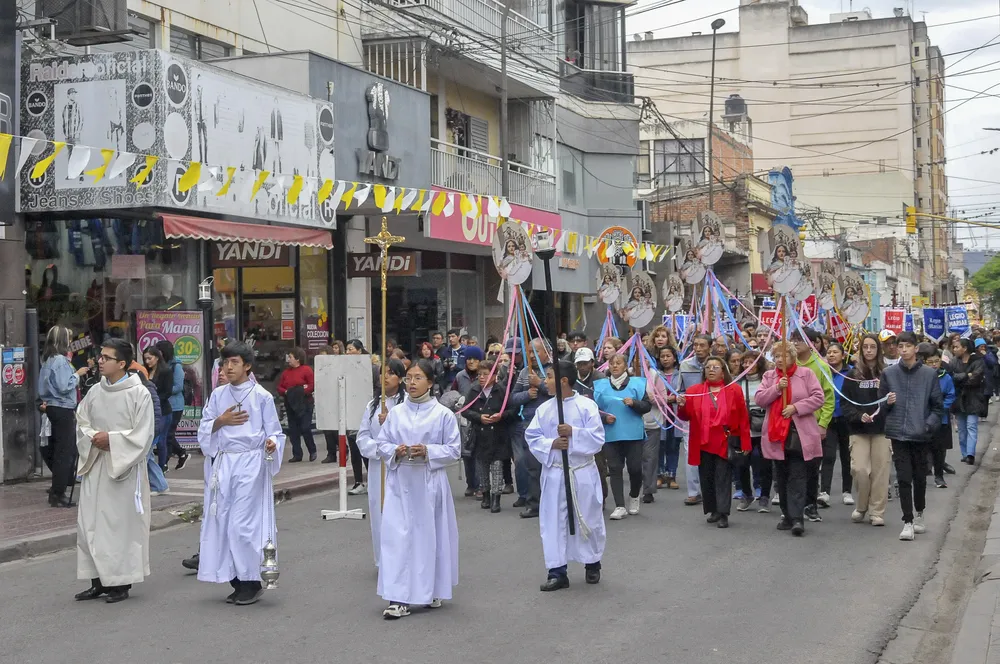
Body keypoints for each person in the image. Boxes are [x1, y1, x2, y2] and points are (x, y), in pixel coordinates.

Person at [197, 342, 284, 605]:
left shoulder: (261, 397)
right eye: (225, 363)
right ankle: (235, 579)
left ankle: (251, 580)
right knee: (222, 520)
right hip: (224, 464)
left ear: (247, 365)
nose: (228, 367)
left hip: (250, 463)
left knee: (242, 523)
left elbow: (275, 432)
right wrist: (220, 422)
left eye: (234, 362)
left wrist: (271, 444)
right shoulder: (217, 395)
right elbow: (205, 427)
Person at [374, 359, 461, 619]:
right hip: (400, 482)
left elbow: (454, 450)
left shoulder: (443, 415)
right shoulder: (396, 413)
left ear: (431, 383)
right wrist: (394, 451)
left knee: (427, 539)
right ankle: (398, 597)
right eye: (409, 377)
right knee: (397, 539)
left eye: (418, 378)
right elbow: (382, 443)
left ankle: (430, 588)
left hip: (428, 482)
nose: (411, 383)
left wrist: (429, 451)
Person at [74, 338, 155, 604]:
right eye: (100, 356)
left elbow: (143, 434)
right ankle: (97, 580)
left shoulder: (138, 393)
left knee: (119, 527)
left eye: (106, 358)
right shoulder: (95, 391)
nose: (100, 361)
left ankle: (120, 583)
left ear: (122, 363)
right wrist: (93, 438)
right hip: (96, 464)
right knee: (91, 525)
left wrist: (113, 440)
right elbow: (81, 421)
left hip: (123, 469)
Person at [526, 360, 606, 591]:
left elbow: (598, 439)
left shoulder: (586, 406)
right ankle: (557, 570)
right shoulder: (545, 409)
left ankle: (592, 563)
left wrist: (574, 433)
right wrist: (552, 443)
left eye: (549, 377)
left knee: (588, 517)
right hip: (556, 473)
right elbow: (532, 437)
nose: (544, 382)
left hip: (581, 472)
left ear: (563, 381)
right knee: (553, 521)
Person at [755, 342, 825, 536]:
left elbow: (819, 397)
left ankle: (797, 518)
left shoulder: (806, 374)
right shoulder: (769, 377)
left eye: (783, 356)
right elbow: (760, 399)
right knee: (782, 475)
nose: (779, 360)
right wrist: (777, 388)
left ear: (793, 357)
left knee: (798, 475)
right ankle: (787, 515)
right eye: (776, 356)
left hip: (798, 433)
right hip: (777, 434)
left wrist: (797, 407)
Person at [880, 331, 943, 541]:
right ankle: (907, 520)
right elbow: (880, 405)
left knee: (919, 477)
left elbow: (937, 407)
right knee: (903, 477)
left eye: (908, 346)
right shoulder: (889, 374)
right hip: (898, 434)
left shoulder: (929, 374)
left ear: (916, 348)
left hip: (921, 434)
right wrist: (886, 403)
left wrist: (928, 426)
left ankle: (919, 513)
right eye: (901, 346)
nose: (904, 350)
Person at [677, 356, 751, 529]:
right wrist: (681, 405)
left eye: (715, 367)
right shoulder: (695, 390)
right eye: (708, 367)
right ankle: (713, 510)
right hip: (703, 442)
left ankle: (724, 513)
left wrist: (745, 442)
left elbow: (743, 418)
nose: (711, 370)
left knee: (723, 478)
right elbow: (685, 416)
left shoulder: (734, 390)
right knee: (707, 477)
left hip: (725, 441)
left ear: (723, 371)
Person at [355, 359, 407, 567]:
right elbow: (362, 436)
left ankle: (404, 557)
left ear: (401, 378)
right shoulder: (373, 405)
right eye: (381, 373)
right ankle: (384, 560)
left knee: (401, 513)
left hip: (403, 465)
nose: (384, 377)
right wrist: (379, 449)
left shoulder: (407, 405)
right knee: (379, 512)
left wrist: (391, 424)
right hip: (379, 466)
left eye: (390, 373)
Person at [841, 333, 891, 526]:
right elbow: (845, 404)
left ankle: (876, 511)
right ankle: (862, 505)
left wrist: (886, 394)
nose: (869, 351)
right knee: (860, 469)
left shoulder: (887, 373)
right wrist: (857, 415)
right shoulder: (852, 375)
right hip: (858, 429)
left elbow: (893, 400)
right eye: (865, 347)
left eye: (873, 347)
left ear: (878, 350)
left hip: (882, 429)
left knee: (880, 472)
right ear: (860, 350)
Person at [38, 325, 91, 507]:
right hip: (62, 407)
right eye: (68, 338)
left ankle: (57, 491)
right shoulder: (60, 361)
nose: (71, 341)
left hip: (54, 407)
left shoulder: (48, 359)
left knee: (62, 449)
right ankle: (58, 493)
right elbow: (63, 386)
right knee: (65, 451)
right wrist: (77, 375)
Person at [594, 354, 651, 520]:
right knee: (614, 469)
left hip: (633, 434)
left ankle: (634, 496)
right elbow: (594, 409)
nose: (615, 366)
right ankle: (619, 505)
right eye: (611, 363)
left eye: (618, 363)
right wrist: (605, 418)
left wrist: (634, 403)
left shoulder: (637, 384)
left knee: (634, 468)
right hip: (611, 434)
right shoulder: (601, 386)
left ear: (625, 366)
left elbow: (647, 406)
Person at [790, 328, 835, 524]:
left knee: (811, 467)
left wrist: (823, 424)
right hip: (790, 425)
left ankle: (811, 505)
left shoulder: (820, 366)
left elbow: (829, 398)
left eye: (800, 339)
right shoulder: (787, 365)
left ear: (812, 343)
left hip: (812, 426)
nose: (796, 343)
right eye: (793, 339)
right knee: (792, 467)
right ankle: (792, 506)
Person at [461, 360, 515, 513]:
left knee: (497, 468)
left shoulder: (502, 391)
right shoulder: (473, 391)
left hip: (498, 436)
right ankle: (485, 495)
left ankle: (496, 498)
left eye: (486, 374)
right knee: (482, 468)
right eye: (479, 374)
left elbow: (513, 411)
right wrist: (479, 417)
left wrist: (501, 416)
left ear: (494, 375)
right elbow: (465, 410)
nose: (482, 377)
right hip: (480, 435)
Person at [510, 338, 552, 518]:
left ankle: (555, 502)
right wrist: (527, 394)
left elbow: (559, 393)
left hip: (551, 423)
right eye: (529, 352)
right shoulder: (525, 372)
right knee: (532, 466)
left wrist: (540, 384)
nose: (532, 356)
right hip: (529, 422)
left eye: (536, 352)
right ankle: (533, 504)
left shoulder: (553, 370)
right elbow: (513, 397)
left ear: (546, 352)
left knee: (552, 465)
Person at [679, 334, 713, 506]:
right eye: (695, 345)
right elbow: (680, 390)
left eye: (702, 345)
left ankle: (712, 488)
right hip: (692, 415)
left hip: (714, 415)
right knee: (690, 452)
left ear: (710, 347)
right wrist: (681, 399)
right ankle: (694, 492)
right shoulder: (685, 365)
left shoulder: (716, 365)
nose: (698, 348)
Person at [820, 342, 854, 507]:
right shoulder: (823, 371)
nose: (831, 355)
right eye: (829, 352)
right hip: (828, 418)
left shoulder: (851, 372)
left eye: (835, 352)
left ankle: (847, 491)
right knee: (828, 456)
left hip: (847, 419)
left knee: (847, 457)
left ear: (843, 355)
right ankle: (824, 491)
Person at [574, 347, 610, 501]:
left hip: (595, 424)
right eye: (579, 363)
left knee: (598, 463)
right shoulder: (571, 378)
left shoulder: (600, 378)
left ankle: (601, 495)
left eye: (585, 363)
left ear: (592, 363)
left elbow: (604, 402)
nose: (582, 366)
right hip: (576, 425)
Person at [738, 350, 769, 512]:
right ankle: (747, 493)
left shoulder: (766, 380)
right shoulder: (738, 382)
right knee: (742, 462)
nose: (747, 365)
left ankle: (764, 496)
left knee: (765, 463)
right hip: (744, 428)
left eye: (752, 362)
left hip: (763, 426)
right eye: (745, 362)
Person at [921, 348, 956, 488]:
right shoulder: (921, 376)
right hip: (923, 417)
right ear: (924, 362)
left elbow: (951, 395)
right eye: (930, 362)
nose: (934, 364)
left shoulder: (945, 377)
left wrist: (941, 408)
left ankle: (939, 476)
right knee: (922, 447)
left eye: (937, 361)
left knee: (939, 449)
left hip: (941, 418)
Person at [277, 347, 316, 463]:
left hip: (305, 403)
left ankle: (312, 451)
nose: (288, 359)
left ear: (297, 359)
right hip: (290, 403)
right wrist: (287, 392)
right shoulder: (286, 373)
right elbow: (280, 387)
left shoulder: (307, 370)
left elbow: (312, 385)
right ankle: (297, 454)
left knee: (305, 427)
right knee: (293, 430)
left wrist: (300, 392)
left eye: (290, 357)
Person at [156, 340, 191, 471]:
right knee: (165, 434)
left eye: (159, 351)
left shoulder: (176, 366)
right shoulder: (161, 365)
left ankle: (164, 463)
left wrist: (164, 389)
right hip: (163, 404)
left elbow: (178, 386)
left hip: (175, 406)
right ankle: (181, 453)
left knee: (168, 435)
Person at [951, 337, 986, 464]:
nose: (954, 349)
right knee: (961, 429)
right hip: (959, 398)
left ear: (964, 348)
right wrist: (967, 375)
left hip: (973, 398)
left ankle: (970, 454)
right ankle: (964, 453)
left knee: (971, 426)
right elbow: (951, 377)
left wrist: (963, 379)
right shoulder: (954, 361)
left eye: (956, 347)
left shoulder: (977, 361)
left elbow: (976, 378)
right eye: (954, 347)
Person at [655, 346, 683, 491]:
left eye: (668, 356)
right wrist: (665, 398)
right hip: (660, 412)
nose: (665, 359)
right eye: (662, 356)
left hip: (676, 413)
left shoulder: (680, 374)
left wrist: (676, 398)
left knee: (674, 444)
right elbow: (651, 392)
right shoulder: (655, 374)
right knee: (660, 444)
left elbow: (684, 391)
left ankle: (671, 475)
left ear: (674, 357)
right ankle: (659, 475)